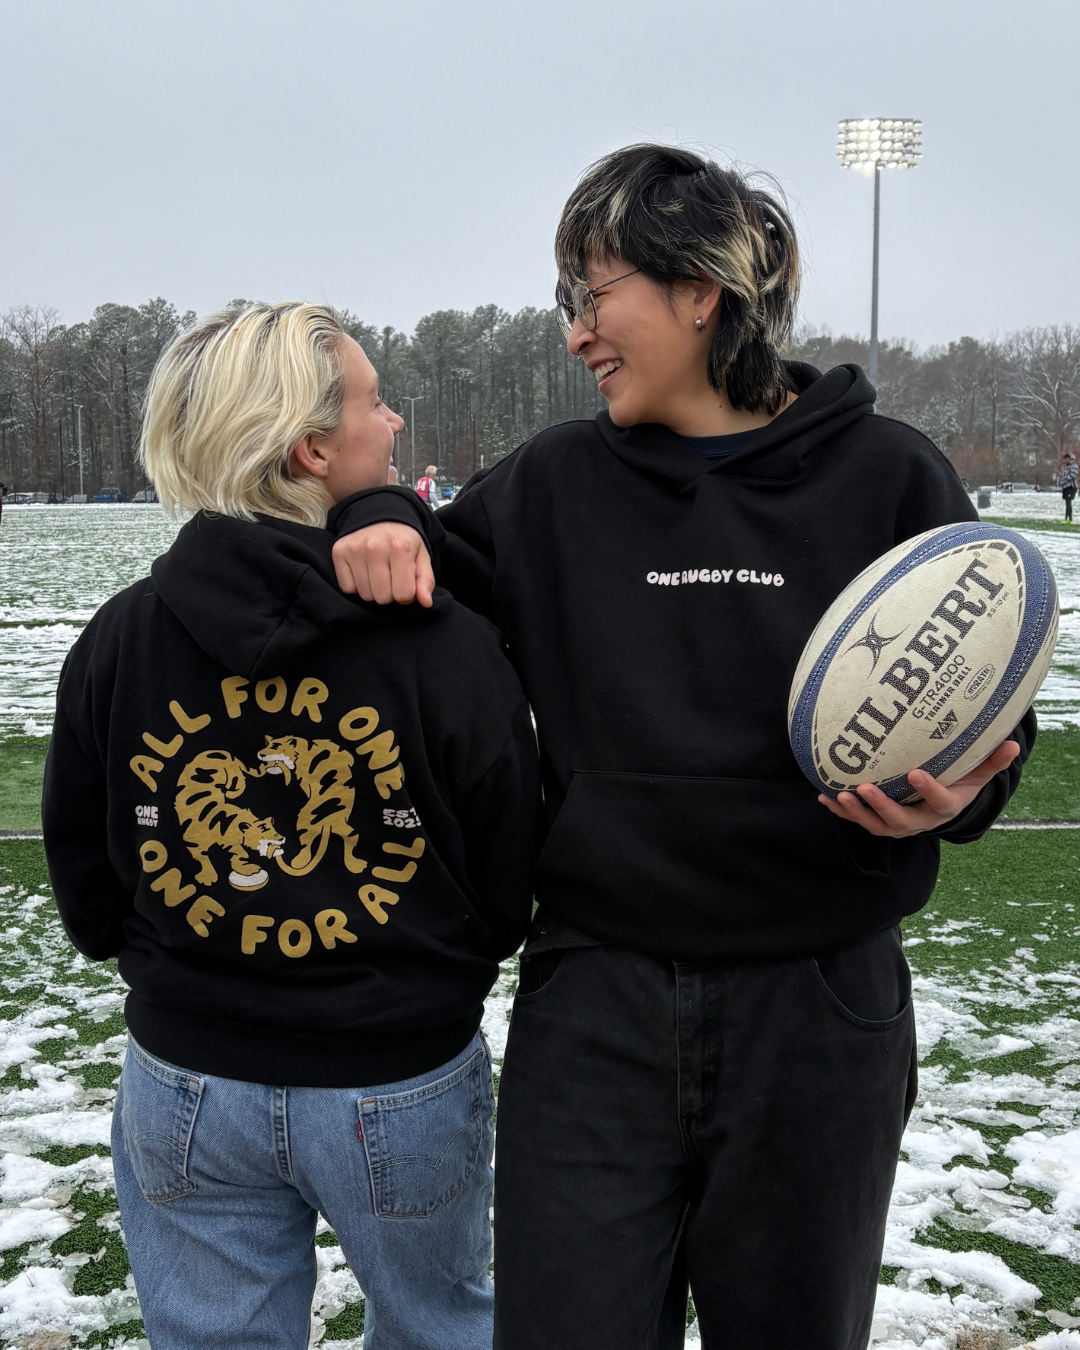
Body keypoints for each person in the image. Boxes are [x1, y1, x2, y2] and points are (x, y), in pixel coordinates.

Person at [327, 146, 1033, 1350]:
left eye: (592, 298)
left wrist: (957, 796)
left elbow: (984, 711)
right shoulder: (553, 483)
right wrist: (379, 513)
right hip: (596, 997)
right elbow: (420, 560)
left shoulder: (887, 476)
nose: (574, 337)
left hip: (819, 1003)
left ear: (699, 291)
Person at [42, 302, 541, 1350]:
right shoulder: (442, 645)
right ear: (314, 449)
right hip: (394, 1075)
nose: (396, 420)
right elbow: (506, 876)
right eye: (373, 402)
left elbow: (87, 876)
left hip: (184, 1079)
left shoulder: (123, 634)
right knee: (439, 1331)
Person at [1058, 449, 1078, 521]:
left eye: (1067, 459)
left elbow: (1073, 475)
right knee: (1067, 502)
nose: (1066, 460)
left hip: (1071, 487)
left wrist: (1065, 480)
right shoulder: (1064, 467)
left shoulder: (1074, 466)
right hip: (1065, 488)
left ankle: (1070, 519)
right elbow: (1061, 475)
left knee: (1069, 502)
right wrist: (1060, 481)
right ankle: (1066, 518)